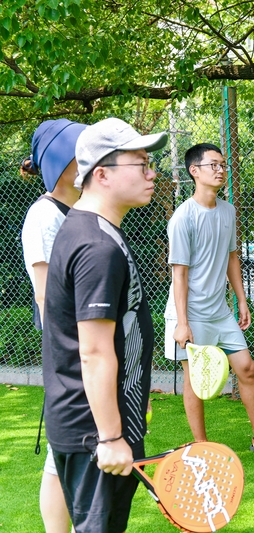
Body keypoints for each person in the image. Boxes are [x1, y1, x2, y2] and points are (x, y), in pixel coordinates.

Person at [41, 117, 167, 533]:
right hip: (92, 430)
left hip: (101, 421)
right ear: (102, 174)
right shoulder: (97, 246)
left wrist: (133, 400)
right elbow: (93, 352)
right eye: (142, 164)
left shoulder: (97, 232)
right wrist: (111, 437)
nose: (153, 174)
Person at [164, 143, 254, 455]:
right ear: (195, 171)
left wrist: (242, 301)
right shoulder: (183, 217)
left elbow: (232, 258)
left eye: (223, 165)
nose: (221, 170)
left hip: (220, 313)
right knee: (196, 382)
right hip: (189, 315)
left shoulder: (228, 211)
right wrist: (182, 324)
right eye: (213, 165)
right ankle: (201, 446)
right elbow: (178, 275)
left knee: (247, 368)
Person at [21, 119, 86, 533]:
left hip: (86, 343)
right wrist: (69, 356)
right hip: (69, 349)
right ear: (61, 163)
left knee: (70, 449)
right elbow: (46, 295)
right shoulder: (43, 216)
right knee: (60, 451)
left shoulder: (78, 211)